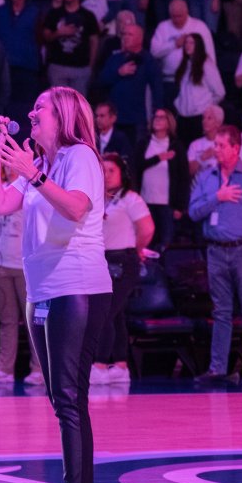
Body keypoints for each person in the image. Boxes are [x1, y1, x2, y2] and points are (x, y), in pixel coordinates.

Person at [0, 87, 111, 483]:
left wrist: (32, 177)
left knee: (70, 401)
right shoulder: (41, 164)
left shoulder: (81, 157)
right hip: (44, 290)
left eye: (40, 108)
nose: (31, 112)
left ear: (63, 116)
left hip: (76, 286)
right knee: (62, 402)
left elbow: (76, 207)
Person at [189, 125, 242, 385]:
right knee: (221, 311)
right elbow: (193, 212)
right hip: (215, 250)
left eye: (221, 145)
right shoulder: (207, 176)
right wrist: (218, 197)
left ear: (235, 148)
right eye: (215, 144)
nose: (216, 149)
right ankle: (217, 368)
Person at [88, 152, 153, 386]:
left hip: (124, 262)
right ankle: (121, 365)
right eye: (102, 170)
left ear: (122, 174)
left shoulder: (130, 199)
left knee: (105, 311)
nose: (106, 175)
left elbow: (147, 228)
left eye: (111, 170)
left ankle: (101, 364)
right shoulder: (98, 198)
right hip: (101, 260)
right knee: (116, 315)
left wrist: (136, 249)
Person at [0, 162, 44, 387]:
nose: (9, 170)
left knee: (34, 321)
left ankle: (39, 369)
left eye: (13, 166)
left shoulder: (32, 194)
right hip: (0, 265)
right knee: (6, 321)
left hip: (25, 267)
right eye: (6, 167)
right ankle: (4, 369)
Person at [97, 23, 160, 143]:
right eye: (123, 34)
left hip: (137, 120)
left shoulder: (148, 61)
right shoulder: (114, 59)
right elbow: (101, 81)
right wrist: (119, 72)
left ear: (140, 38)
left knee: (135, 156)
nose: (125, 37)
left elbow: (157, 89)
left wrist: (155, 115)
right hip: (114, 119)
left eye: (130, 34)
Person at [136, 108, 189, 250]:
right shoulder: (144, 143)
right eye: (156, 117)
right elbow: (136, 167)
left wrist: (180, 206)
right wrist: (158, 158)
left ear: (169, 122)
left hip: (167, 205)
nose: (158, 120)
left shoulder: (176, 146)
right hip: (146, 202)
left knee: (166, 245)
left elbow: (184, 178)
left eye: (162, 117)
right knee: (147, 243)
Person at [41, 0, 99, 95]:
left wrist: (90, 66)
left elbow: (94, 41)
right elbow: (45, 37)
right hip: (58, 66)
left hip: (81, 68)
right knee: (59, 108)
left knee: (77, 109)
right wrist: (59, 33)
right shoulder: (53, 14)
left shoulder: (88, 16)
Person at [171, 33, 224, 142]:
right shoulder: (184, 65)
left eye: (192, 43)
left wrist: (205, 106)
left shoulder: (206, 65)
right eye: (186, 42)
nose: (188, 45)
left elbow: (220, 92)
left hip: (198, 117)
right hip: (183, 117)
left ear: (198, 45)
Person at [188, 104, 223, 177]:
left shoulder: (226, 142)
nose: (204, 121)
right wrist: (202, 158)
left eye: (209, 118)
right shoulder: (195, 145)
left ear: (218, 123)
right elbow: (189, 171)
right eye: (203, 118)